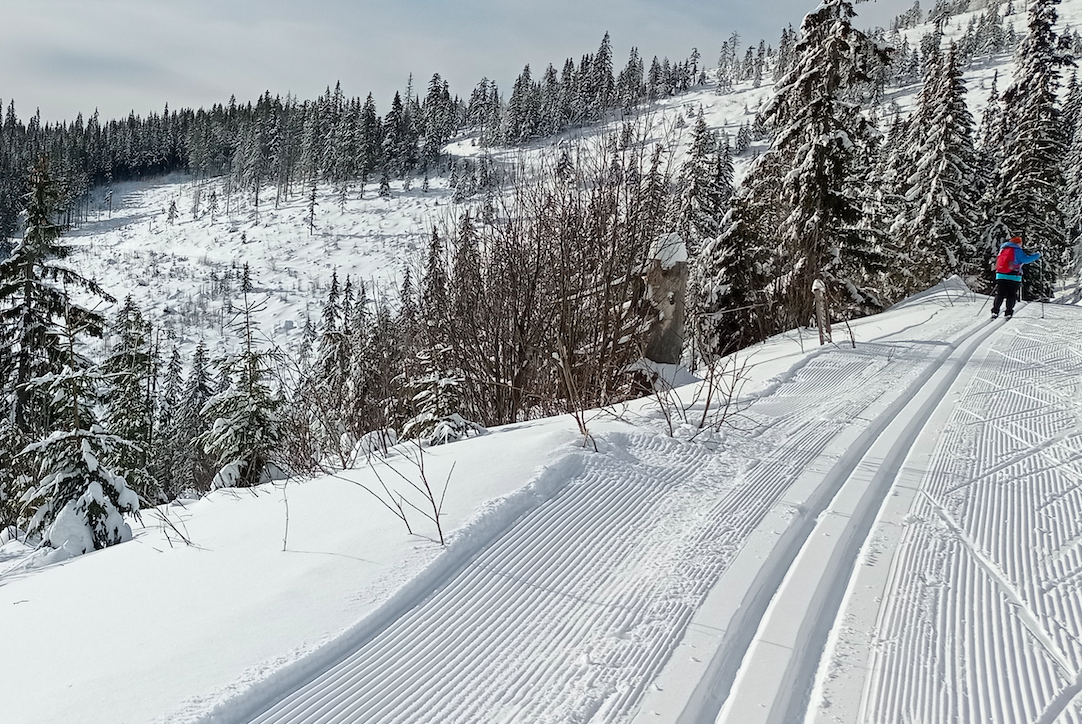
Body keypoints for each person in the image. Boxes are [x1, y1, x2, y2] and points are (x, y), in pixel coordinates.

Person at [991, 236, 1041, 320]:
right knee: (1011, 295)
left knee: (1000, 294)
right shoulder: (1017, 250)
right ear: (1018, 243)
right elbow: (1025, 260)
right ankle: (1008, 313)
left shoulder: (1003, 249)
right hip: (1013, 276)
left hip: (1000, 275)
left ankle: (995, 311)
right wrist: (1037, 255)